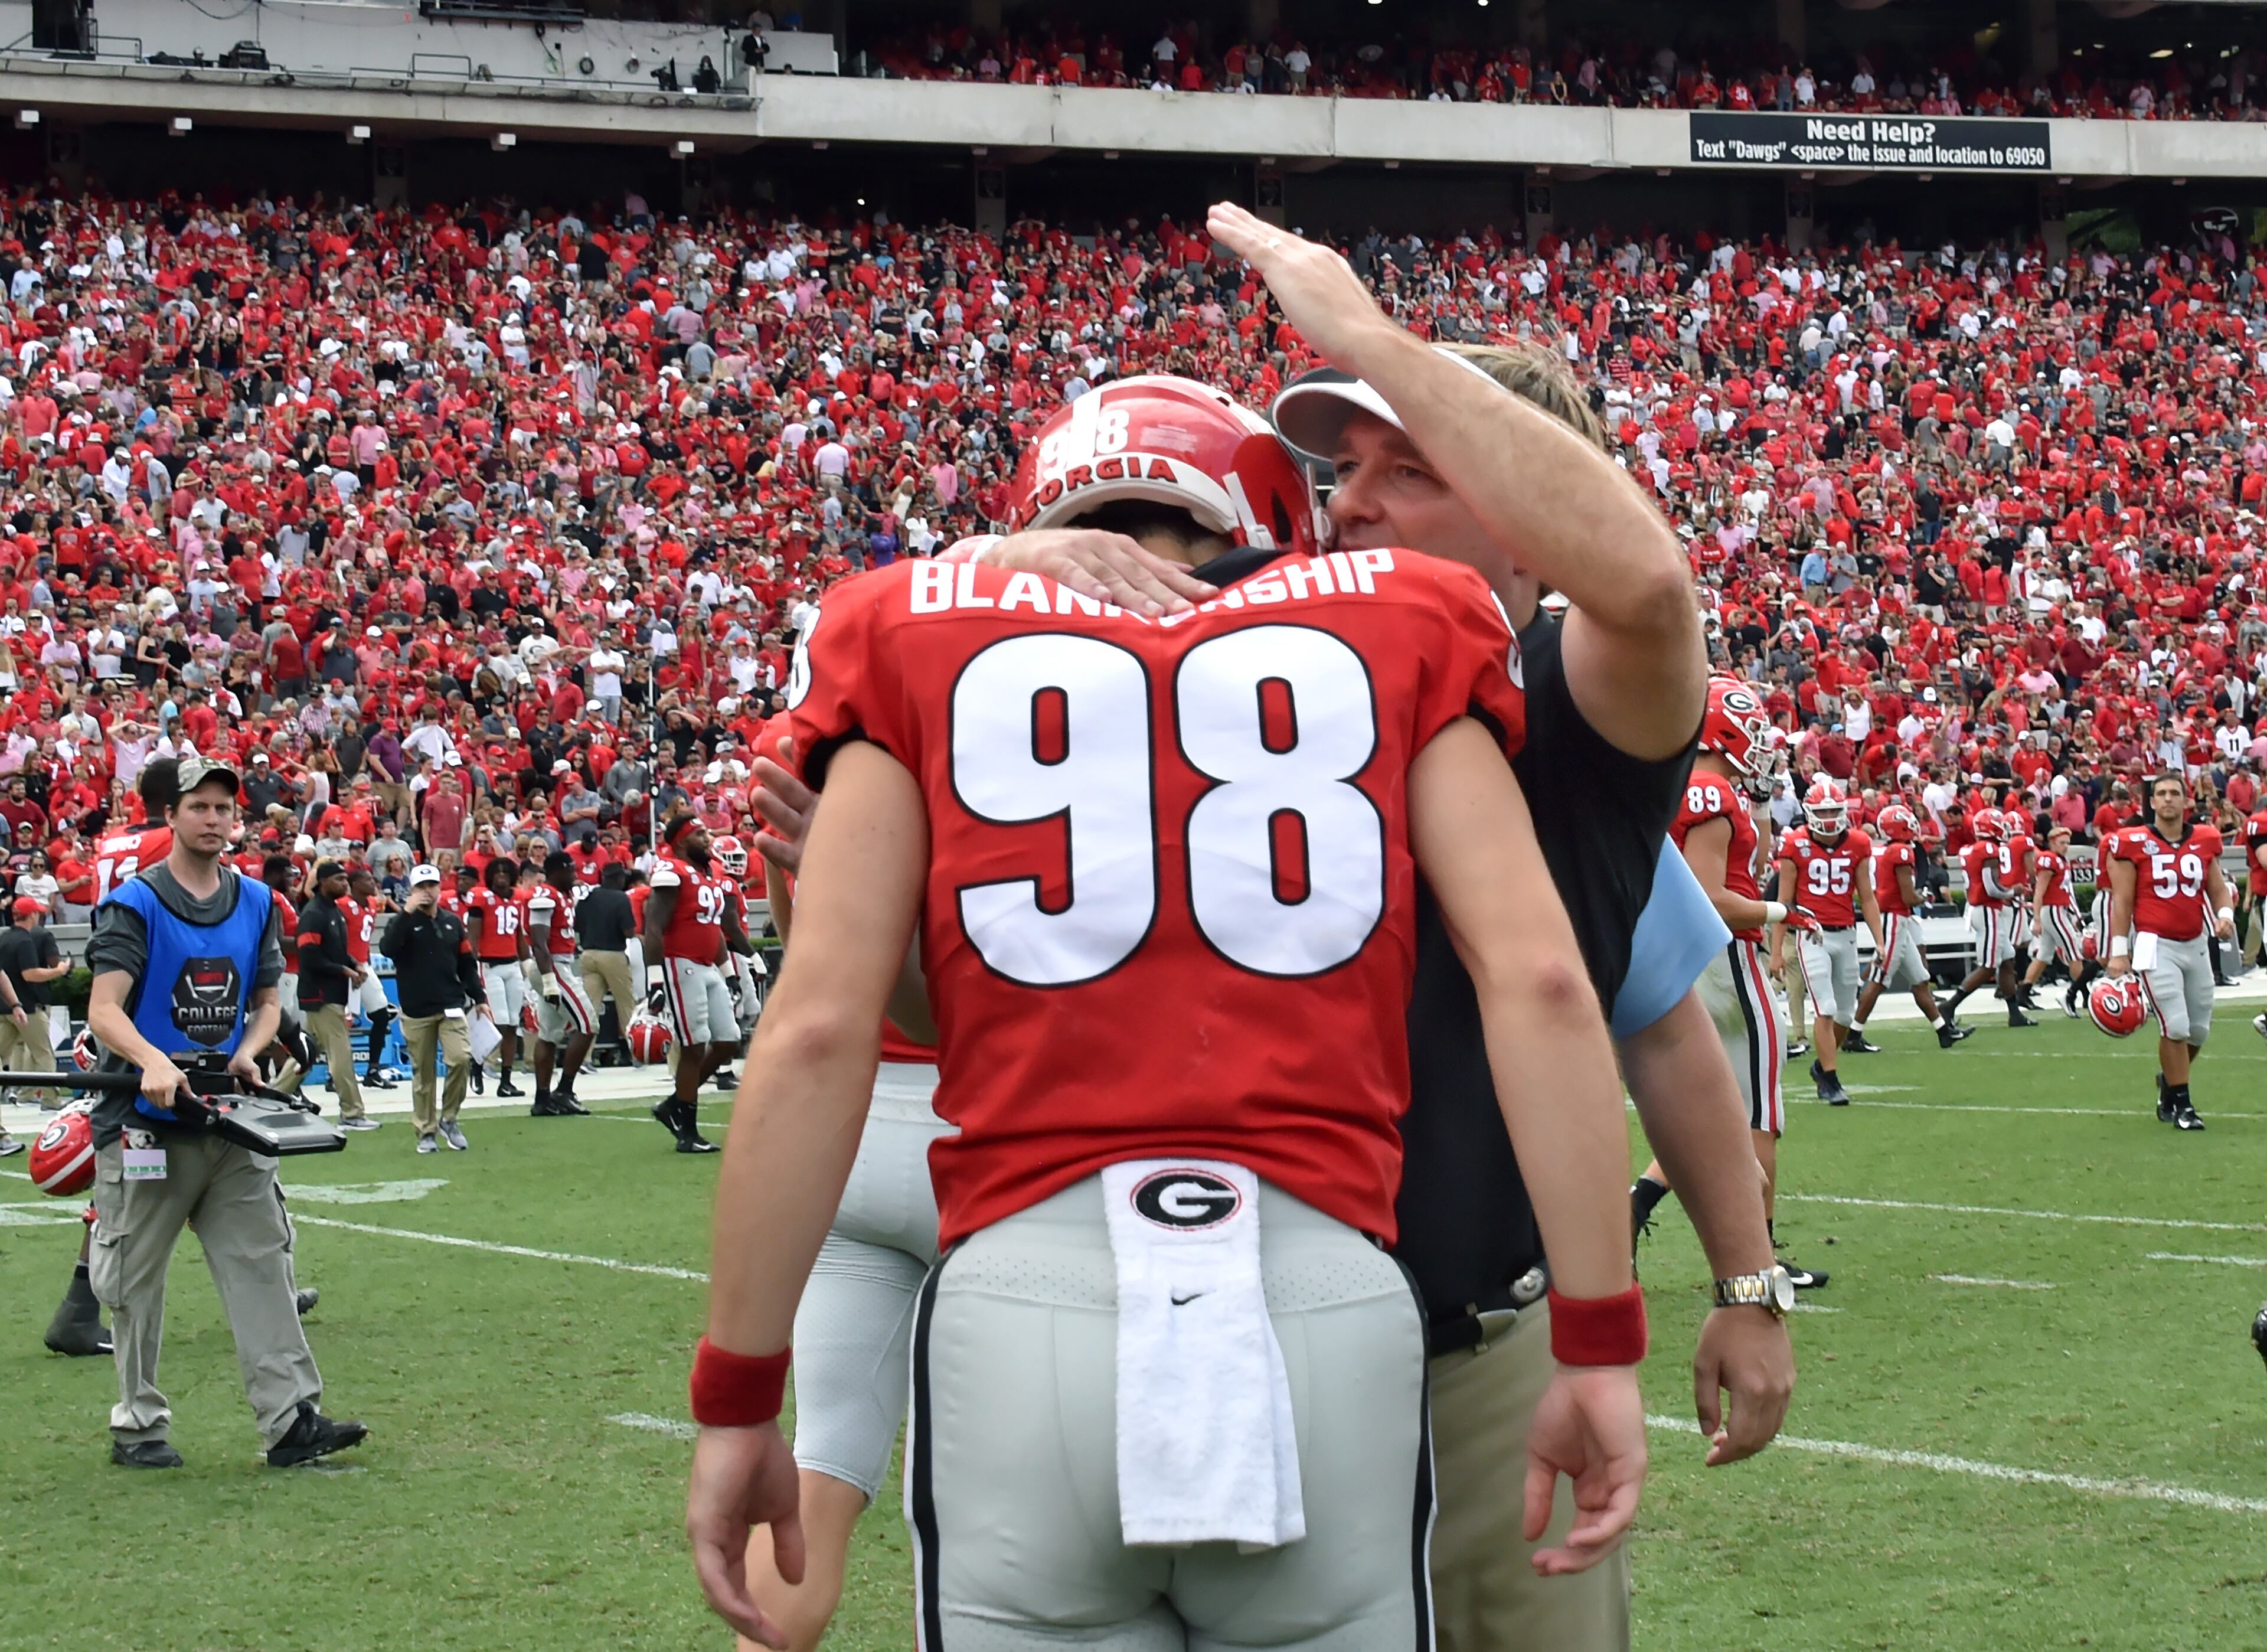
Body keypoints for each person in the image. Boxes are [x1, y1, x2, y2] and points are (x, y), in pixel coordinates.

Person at [692, 374, 1646, 1650]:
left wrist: (740, 1394)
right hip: (1324, 1289)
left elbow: (816, 1031)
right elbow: (1539, 980)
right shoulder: (1410, 615)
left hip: (1025, 1298)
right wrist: (1596, 1337)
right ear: (1260, 503)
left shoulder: (899, 623)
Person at [83, 755, 367, 1469]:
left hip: (228, 1118)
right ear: (171, 815)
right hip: (146, 1125)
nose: (213, 819)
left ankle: (291, 1419)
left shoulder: (254, 902)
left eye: (222, 808)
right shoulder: (135, 902)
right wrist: (150, 1059)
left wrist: (249, 1049)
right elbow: (104, 1008)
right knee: (135, 1282)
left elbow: (268, 1000)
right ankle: (138, 1424)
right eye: (198, 806)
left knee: (263, 1263)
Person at [2104, 773, 2233, 1132]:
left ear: (2186, 801)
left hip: (2195, 941)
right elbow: (2123, 900)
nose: (2168, 799)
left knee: (2199, 1031)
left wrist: (2224, 916)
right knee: (2174, 1024)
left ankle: (2170, 1082)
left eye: (2175, 793)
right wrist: (2118, 951)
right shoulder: (2134, 841)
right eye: (2161, 793)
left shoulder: (2205, 839)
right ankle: (2183, 1104)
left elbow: (2218, 888)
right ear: (2152, 802)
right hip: (2154, 942)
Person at [1772, 776, 1882, 1103]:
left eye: (1836, 809)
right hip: (1812, 935)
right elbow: (1784, 903)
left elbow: (1867, 896)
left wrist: (1879, 939)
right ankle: (1831, 1082)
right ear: (1809, 812)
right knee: (1826, 1006)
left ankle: (1822, 1066)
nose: (1831, 817)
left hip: (1847, 933)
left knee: (1846, 1016)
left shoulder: (1859, 843)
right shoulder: (1795, 845)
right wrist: (1777, 951)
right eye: (1825, 811)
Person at [643, 814, 744, 1153]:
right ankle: (688, 1132)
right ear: (683, 841)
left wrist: (729, 973)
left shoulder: (708, 875)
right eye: (700, 834)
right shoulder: (671, 870)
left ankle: (674, 1105)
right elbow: (654, 926)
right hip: (679, 964)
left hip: (706, 966)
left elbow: (713, 930)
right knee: (694, 1045)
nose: (709, 838)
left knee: (729, 1040)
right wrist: (654, 980)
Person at [1848, 802, 1972, 1046]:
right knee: (1879, 978)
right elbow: (1907, 897)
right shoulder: (1901, 852)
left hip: (1897, 919)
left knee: (1919, 979)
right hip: (1894, 918)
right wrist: (1923, 897)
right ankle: (1853, 1034)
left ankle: (1944, 1032)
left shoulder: (1888, 850)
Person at [383, 863, 482, 1153]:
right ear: (412, 891)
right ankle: (426, 1130)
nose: (428, 892)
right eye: (421, 887)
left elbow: (466, 963)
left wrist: (480, 998)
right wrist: (406, 912)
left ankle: (449, 1118)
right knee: (423, 1074)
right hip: (417, 1008)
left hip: (451, 1003)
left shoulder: (452, 922)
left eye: (432, 886)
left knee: (461, 1058)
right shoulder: (403, 923)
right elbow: (388, 949)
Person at [293, 860, 379, 1131]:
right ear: (323, 882)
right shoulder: (314, 914)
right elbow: (308, 958)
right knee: (341, 1054)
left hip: (331, 993)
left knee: (307, 1053)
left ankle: (273, 1095)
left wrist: (353, 964)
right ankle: (352, 1113)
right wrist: (344, 970)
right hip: (320, 995)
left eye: (345, 879)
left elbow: (337, 951)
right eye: (339, 880)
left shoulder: (333, 911)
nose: (345, 884)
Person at [1941, 809, 2036, 1029]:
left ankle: (2015, 1014)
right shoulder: (1989, 849)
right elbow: (1991, 887)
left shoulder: (1971, 849)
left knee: (2007, 961)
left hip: (1981, 910)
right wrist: (2013, 892)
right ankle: (1949, 1007)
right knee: (1987, 967)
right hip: (1987, 911)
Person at [527, 851, 597, 1115]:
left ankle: (542, 1099)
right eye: (570, 870)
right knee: (589, 1024)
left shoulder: (564, 895)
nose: (575, 874)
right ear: (557, 871)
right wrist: (549, 981)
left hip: (560, 964)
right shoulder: (546, 895)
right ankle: (565, 1091)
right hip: (553, 966)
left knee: (549, 1034)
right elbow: (539, 942)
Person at [465, 856, 531, 1099]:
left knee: (513, 1023)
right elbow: (473, 938)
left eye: (506, 871)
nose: (501, 875)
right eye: (497, 871)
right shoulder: (482, 898)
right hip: (489, 965)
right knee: (499, 1022)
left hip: (512, 965)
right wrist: (469, 969)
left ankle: (506, 1081)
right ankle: (478, 1063)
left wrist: (529, 966)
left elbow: (520, 936)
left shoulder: (518, 899)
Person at [0, 893, 67, 1106]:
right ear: (32, 916)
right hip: (27, 1008)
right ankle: (51, 1098)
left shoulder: (4, 938)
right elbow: (30, 974)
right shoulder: (25, 940)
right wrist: (59, 970)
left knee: (5, 1052)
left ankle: (23, 1094)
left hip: (4, 1008)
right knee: (44, 1053)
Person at [573, 863, 641, 1066]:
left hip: (588, 954)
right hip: (613, 954)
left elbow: (577, 925)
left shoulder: (588, 897)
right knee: (626, 1005)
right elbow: (629, 931)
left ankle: (583, 1058)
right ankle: (636, 1052)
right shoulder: (621, 898)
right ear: (618, 879)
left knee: (589, 1009)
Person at [2021, 824, 2090, 1015]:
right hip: (2053, 912)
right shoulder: (2048, 859)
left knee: (2044, 955)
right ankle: (2081, 994)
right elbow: (2039, 892)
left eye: (2068, 843)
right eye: (2062, 843)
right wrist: (2036, 919)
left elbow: (2067, 893)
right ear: (2052, 842)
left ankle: (2024, 992)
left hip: (2057, 911)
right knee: (2074, 953)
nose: (2066, 846)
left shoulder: (2059, 860)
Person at [342, 867, 399, 1089]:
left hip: (364, 967)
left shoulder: (373, 905)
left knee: (382, 1015)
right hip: (346, 968)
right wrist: (350, 965)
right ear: (354, 884)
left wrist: (363, 962)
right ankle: (334, 1074)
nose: (372, 883)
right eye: (366, 879)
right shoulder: (343, 905)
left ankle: (373, 1070)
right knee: (342, 1023)